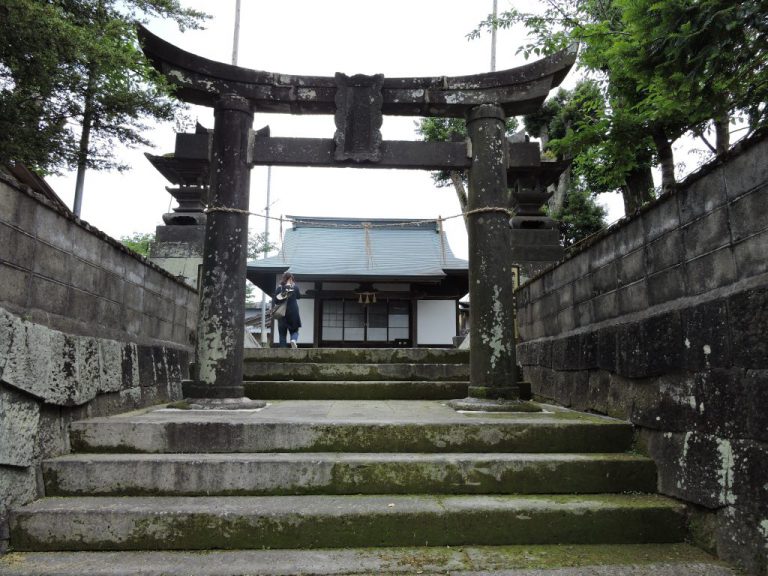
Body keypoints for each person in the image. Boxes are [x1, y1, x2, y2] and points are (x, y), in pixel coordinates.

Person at [274, 272, 301, 348]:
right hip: (293, 313)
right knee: (294, 331)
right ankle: (293, 340)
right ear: (290, 279)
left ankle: (283, 353)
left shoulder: (280, 288)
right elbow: (299, 296)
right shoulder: (294, 287)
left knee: (282, 335)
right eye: (292, 279)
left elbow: (275, 301)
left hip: (282, 313)